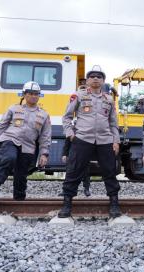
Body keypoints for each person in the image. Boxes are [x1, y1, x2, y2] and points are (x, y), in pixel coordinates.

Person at [58, 65, 121, 218]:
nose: (95, 79)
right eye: (92, 76)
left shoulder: (109, 99)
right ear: (87, 80)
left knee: (110, 171)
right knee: (73, 171)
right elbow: (66, 117)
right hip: (82, 138)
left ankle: (114, 203)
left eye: (99, 77)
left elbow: (113, 123)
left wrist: (116, 141)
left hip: (105, 140)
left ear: (103, 81)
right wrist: (70, 134)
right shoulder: (78, 96)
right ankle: (67, 204)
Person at [0, 81, 51, 205]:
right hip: (10, 139)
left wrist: (44, 154)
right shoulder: (13, 108)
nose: (33, 96)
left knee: (21, 174)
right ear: (24, 95)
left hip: (28, 147)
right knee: (9, 158)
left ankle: (19, 200)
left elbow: (45, 136)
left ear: (39, 96)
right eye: (30, 93)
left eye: (36, 94)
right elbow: (1, 127)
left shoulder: (44, 114)